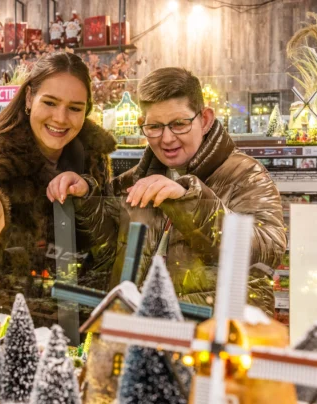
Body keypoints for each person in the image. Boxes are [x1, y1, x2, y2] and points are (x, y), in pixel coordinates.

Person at [0, 52, 118, 315]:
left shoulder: (94, 158)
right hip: (3, 319)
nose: (61, 118)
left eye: (75, 108)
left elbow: (109, 245)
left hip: (79, 319)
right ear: (29, 98)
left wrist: (88, 195)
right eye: (50, 102)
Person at [110, 67, 286, 313]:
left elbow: (268, 251)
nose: (167, 138)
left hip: (213, 338)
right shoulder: (133, 181)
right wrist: (83, 194)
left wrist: (188, 201)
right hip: (140, 335)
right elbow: (101, 249)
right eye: (154, 127)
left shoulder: (246, 174)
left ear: (204, 120)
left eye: (179, 124)